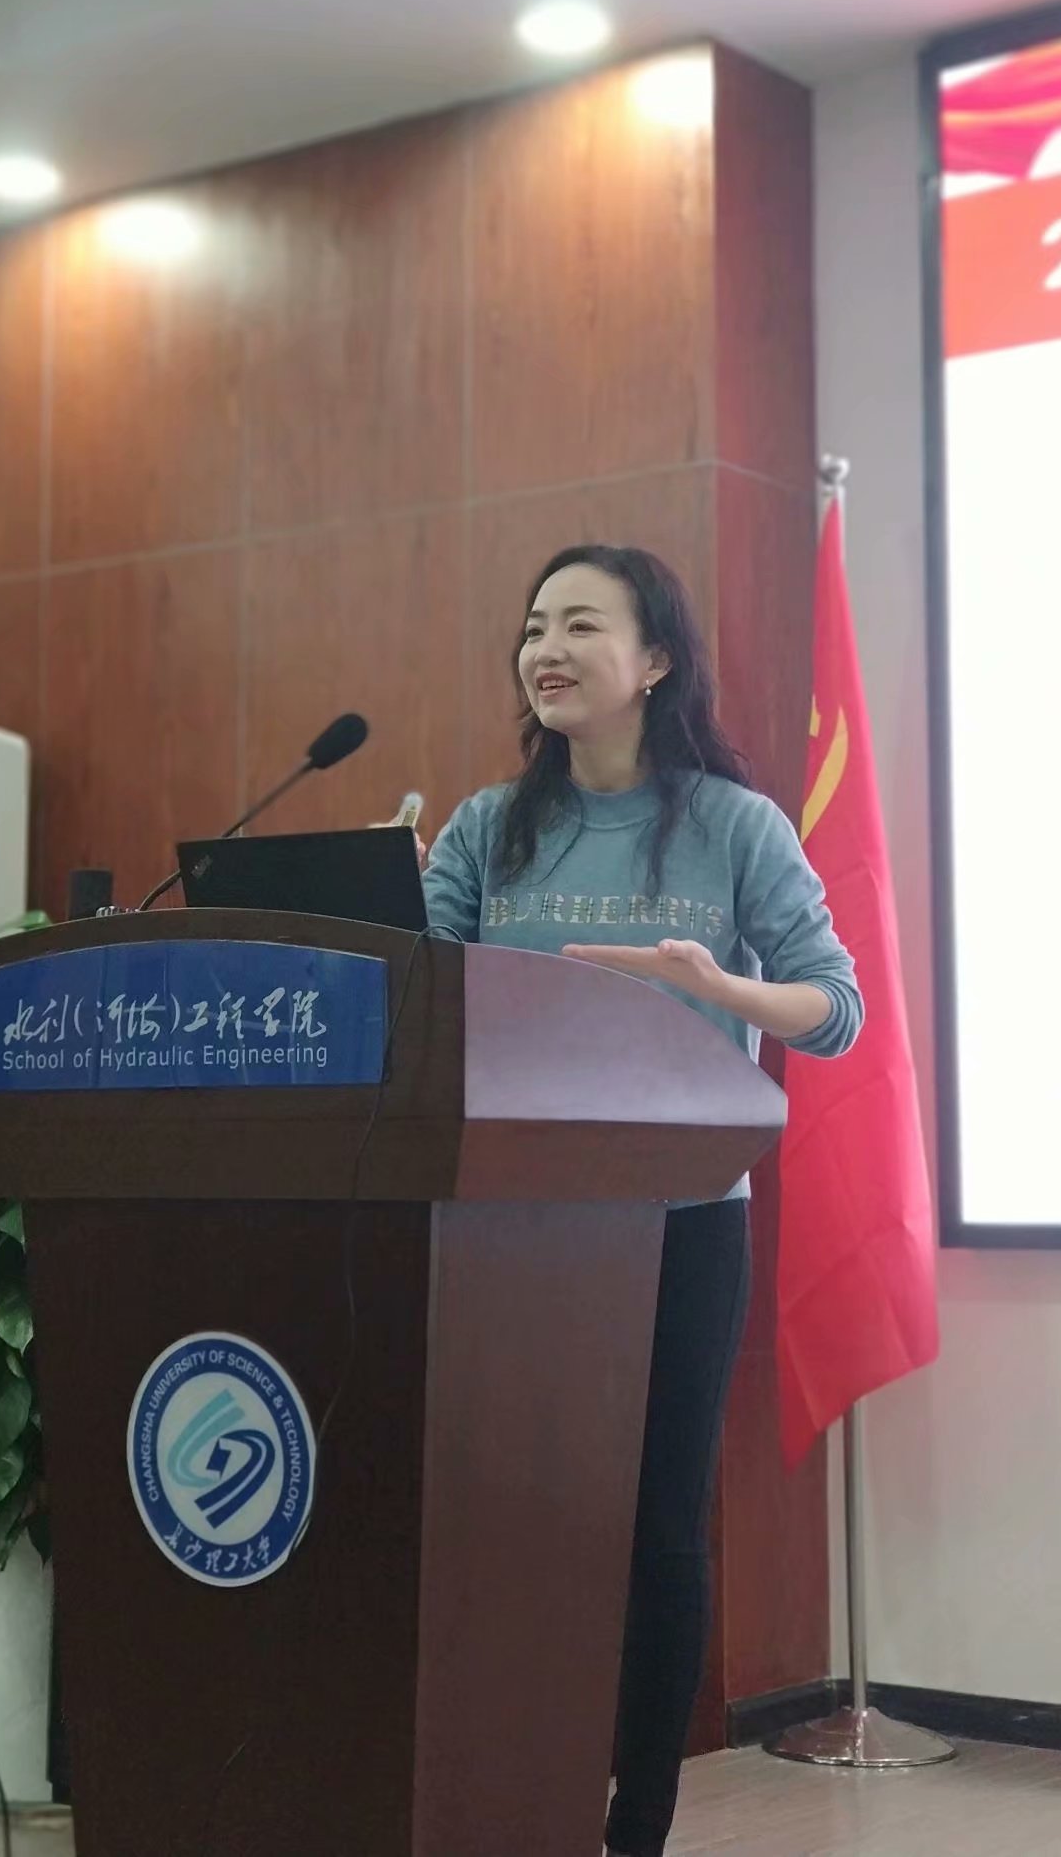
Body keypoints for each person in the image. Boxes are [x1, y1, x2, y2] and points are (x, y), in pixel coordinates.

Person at [422, 543, 862, 1857]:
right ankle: (512, 1791)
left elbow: (834, 1005)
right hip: (505, 1234)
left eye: (579, 625)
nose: (544, 650)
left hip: (681, 1220)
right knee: (513, 1518)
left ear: (655, 659)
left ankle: (641, 1822)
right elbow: (421, 996)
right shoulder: (485, 828)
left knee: (659, 1526)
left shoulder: (734, 826)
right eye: (532, 627)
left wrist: (719, 989)